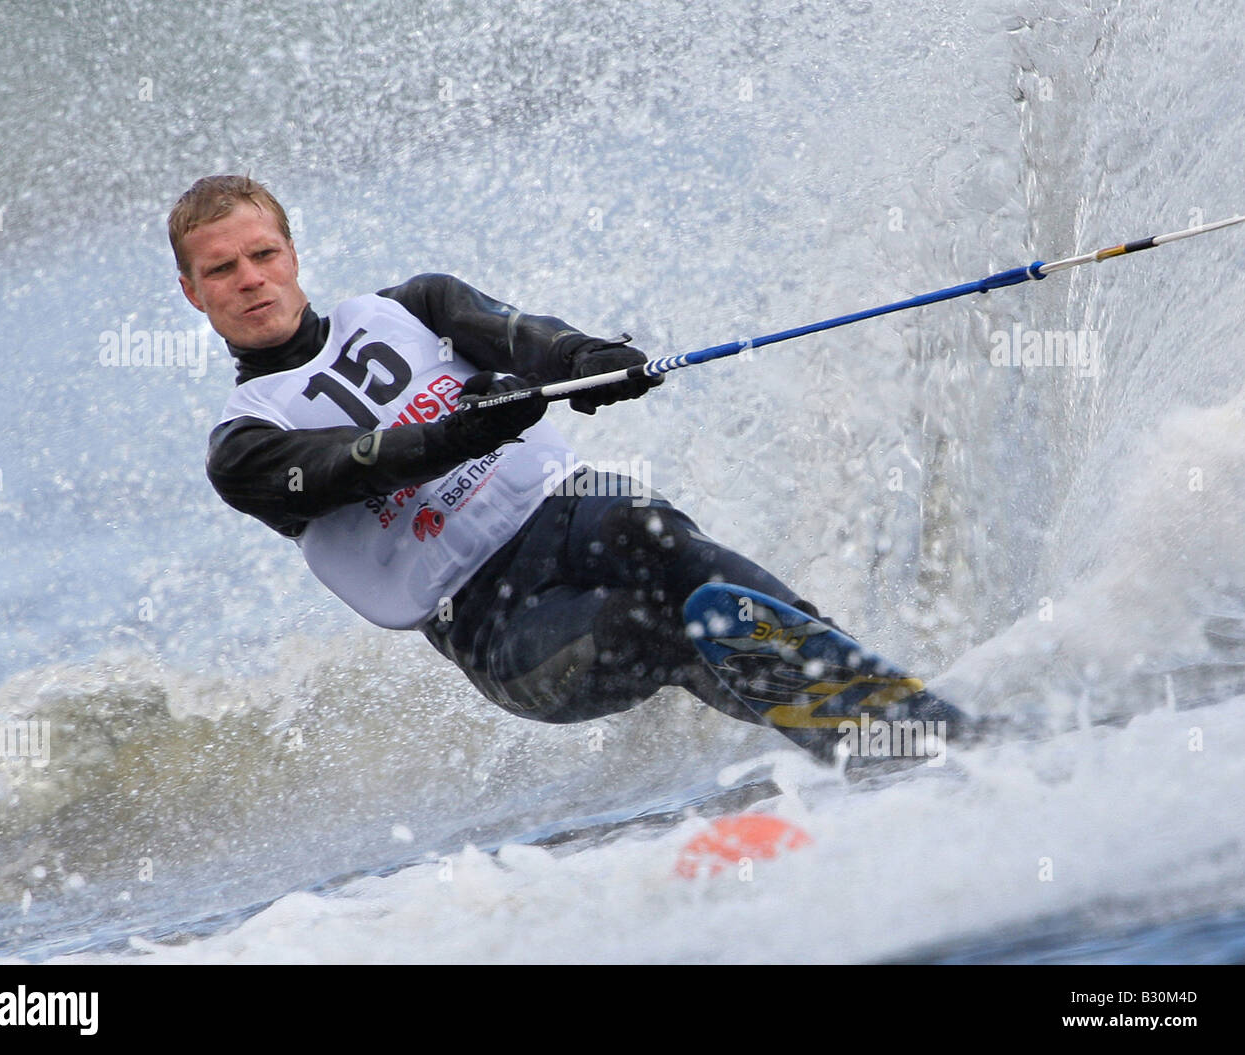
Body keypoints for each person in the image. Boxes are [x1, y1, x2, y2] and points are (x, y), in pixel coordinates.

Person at [171, 174, 851, 751]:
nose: (251, 279)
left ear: (292, 254)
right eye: (222, 270)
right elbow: (356, 463)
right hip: (498, 626)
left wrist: (588, 359)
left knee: (660, 539)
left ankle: (860, 701)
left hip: (571, 510)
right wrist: (462, 429)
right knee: (655, 622)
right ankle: (842, 728)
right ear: (193, 292)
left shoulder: (416, 306)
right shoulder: (244, 445)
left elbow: (528, 342)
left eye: (263, 253)